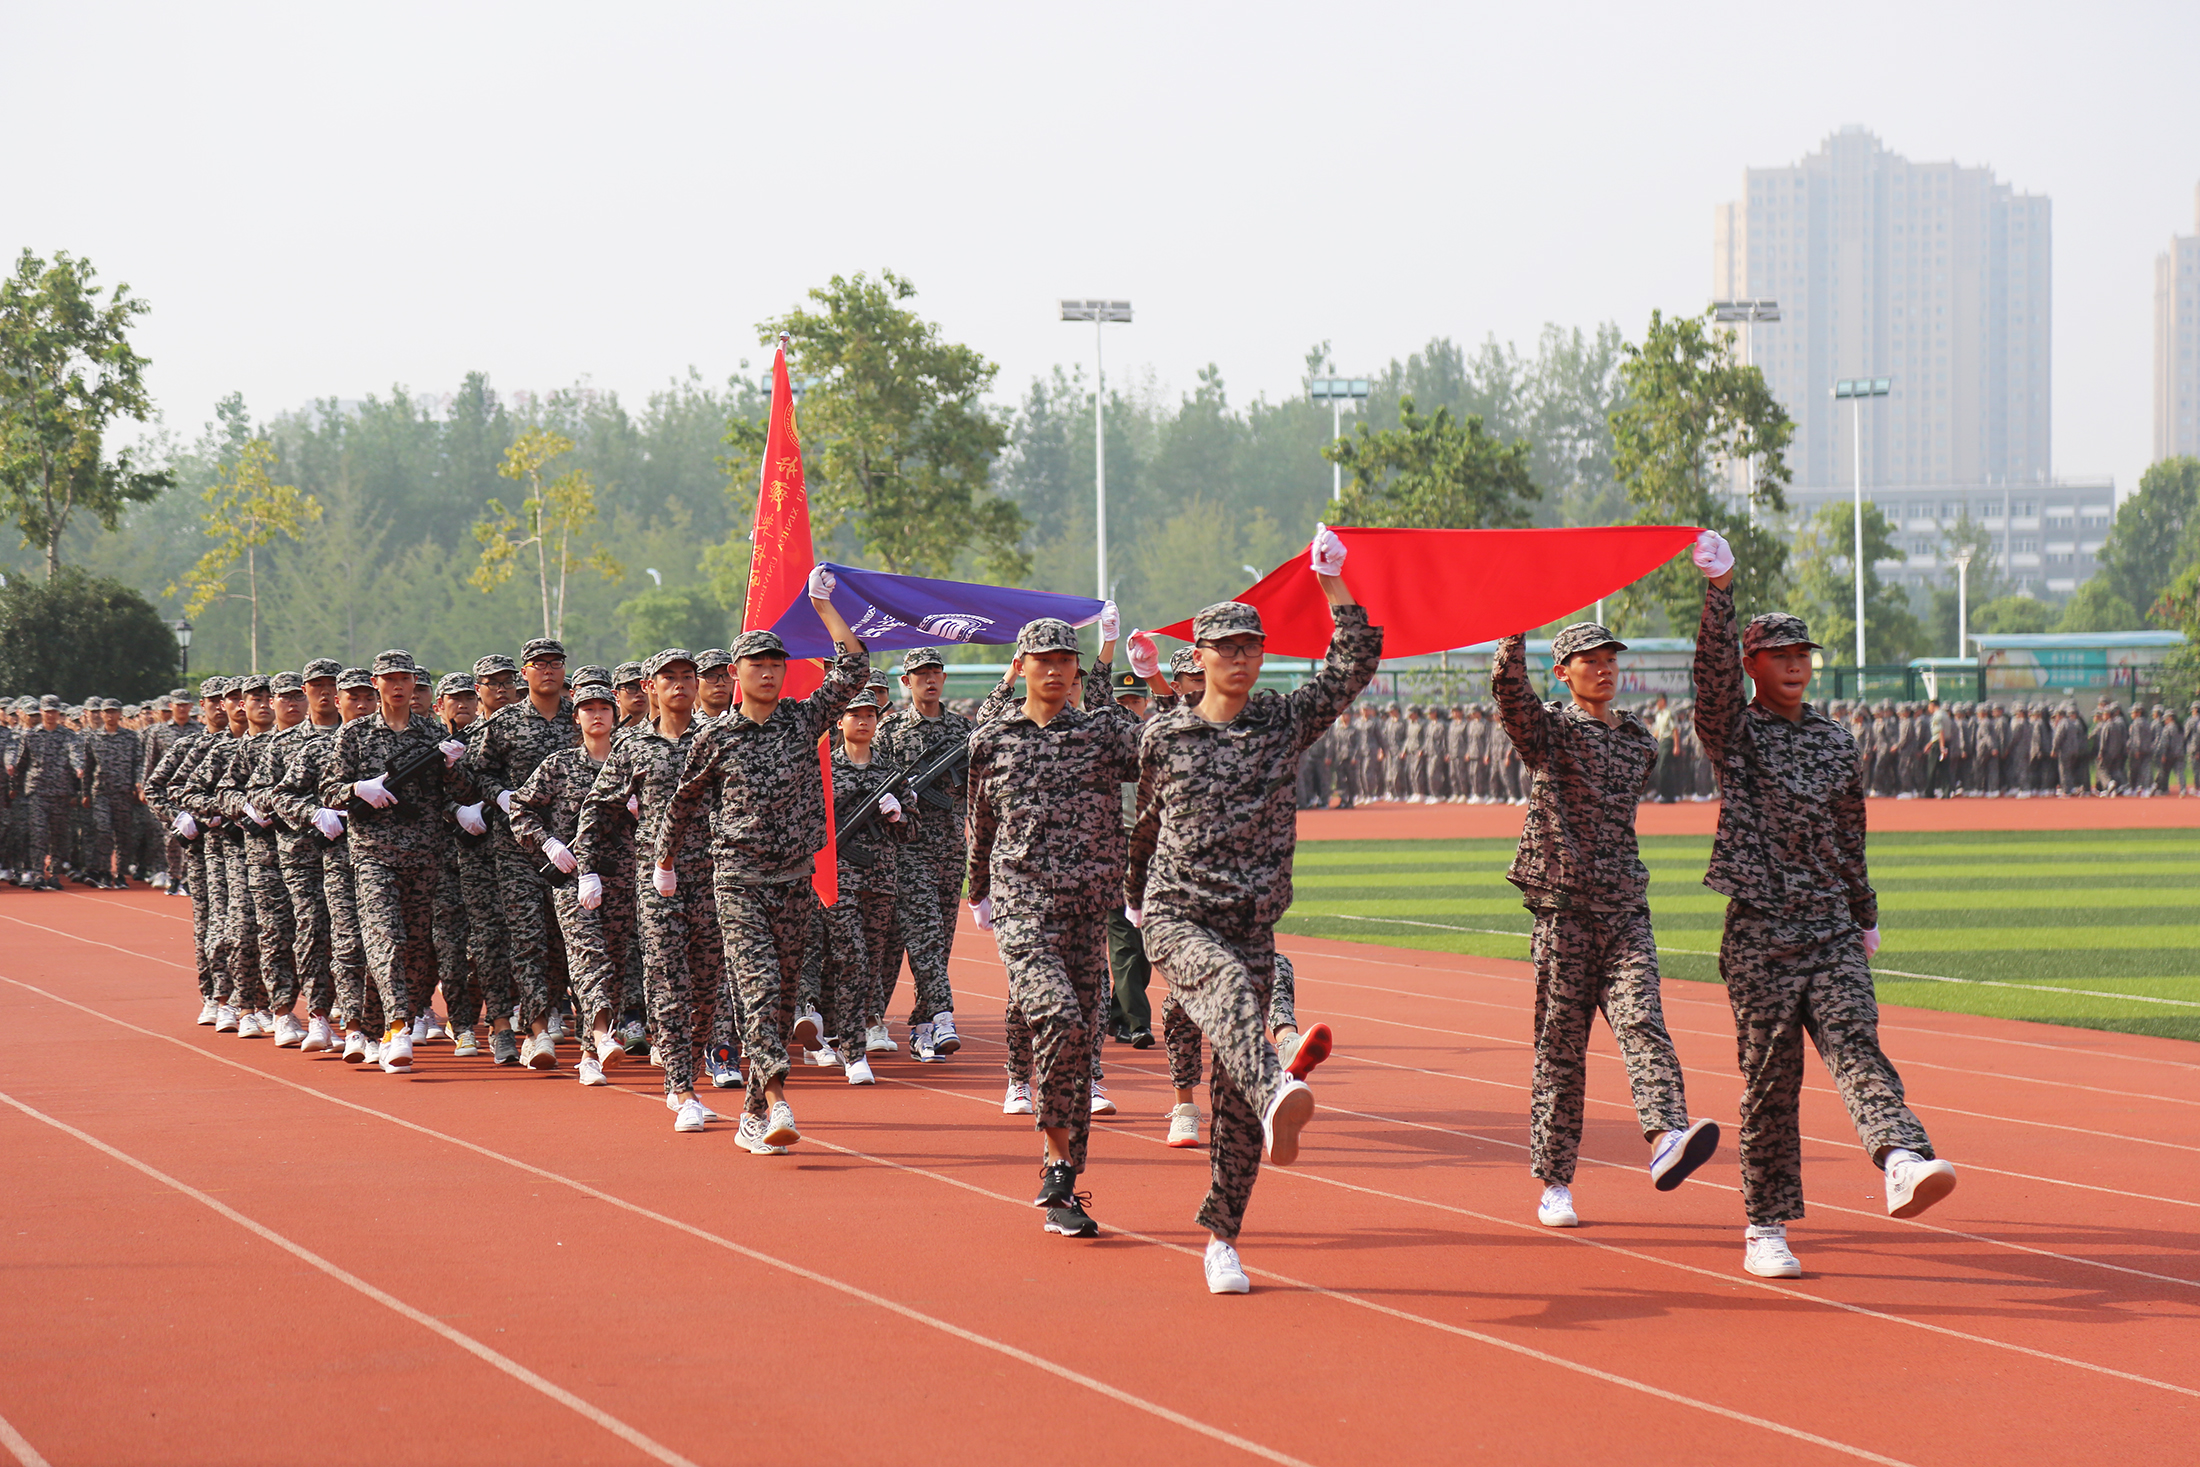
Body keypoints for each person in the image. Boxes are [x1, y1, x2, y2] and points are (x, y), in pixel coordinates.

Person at [1690, 530, 1956, 1280]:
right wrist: (1719, 594)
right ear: (1753, 664)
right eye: (1780, 654)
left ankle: (1900, 1158)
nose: (1796, 665)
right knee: (1771, 1084)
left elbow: (1850, 834)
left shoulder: (1837, 741)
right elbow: (1711, 682)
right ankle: (1765, 1227)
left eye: (1803, 654)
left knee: (1857, 1043)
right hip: (1761, 933)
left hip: (1831, 925)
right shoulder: (1734, 732)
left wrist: (1864, 913)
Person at [1127, 526, 1378, 1294]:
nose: (1239, 657)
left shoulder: (1280, 723)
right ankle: (1277, 1085)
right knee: (1233, 994)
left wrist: (1333, 583)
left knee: (1237, 1113)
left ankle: (1222, 1238)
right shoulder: (1165, 735)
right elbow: (1145, 823)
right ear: (1198, 656)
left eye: (1251, 647)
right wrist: (1135, 903)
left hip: (1251, 922)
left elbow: (1351, 666)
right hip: (1178, 914)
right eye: (1225, 647)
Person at [1492, 621, 1718, 1229]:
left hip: (1624, 910)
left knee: (1643, 1019)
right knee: (1560, 1052)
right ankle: (1556, 1183)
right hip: (1564, 912)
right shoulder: (1550, 732)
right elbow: (1510, 695)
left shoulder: (1640, 741)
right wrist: (1513, 631)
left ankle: (1666, 1135)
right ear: (1563, 672)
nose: (1604, 668)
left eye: (1610, 658)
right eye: (1589, 660)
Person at [657, 580, 868, 1154]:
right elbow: (683, 801)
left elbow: (854, 669)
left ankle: (752, 1114)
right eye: (757, 664)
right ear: (735, 673)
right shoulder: (716, 737)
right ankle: (777, 1101)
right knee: (760, 990)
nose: (770, 672)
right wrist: (665, 861)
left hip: (794, 880)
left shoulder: (803, 720)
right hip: (739, 882)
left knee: (779, 1003)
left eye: (777, 664)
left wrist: (824, 608)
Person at [968, 606, 1138, 1239]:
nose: (1057, 670)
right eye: (1045, 660)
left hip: (1088, 910)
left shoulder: (1102, 735)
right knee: (1059, 1017)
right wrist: (978, 889)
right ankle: (1056, 1154)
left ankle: (1062, 1173)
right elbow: (981, 821)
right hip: (1023, 905)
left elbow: (1170, 750)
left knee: (1081, 1042)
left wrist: (1150, 679)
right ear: (1023, 665)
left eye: (1067, 660)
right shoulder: (993, 739)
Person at [581, 648, 724, 1130]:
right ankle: (681, 1089)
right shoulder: (632, 746)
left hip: (716, 878)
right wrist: (588, 868)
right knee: (667, 981)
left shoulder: (717, 738)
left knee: (707, 987)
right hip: (658, 882)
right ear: (650, 687)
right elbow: (598, 808)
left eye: (688, 676)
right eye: (668, 678)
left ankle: (691, 1073)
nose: (679, 684)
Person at [324, 650, 467, 1074]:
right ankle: (399, 1026)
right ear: (377, 683)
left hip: (424, 852)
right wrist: (357, 789)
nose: (399, 685)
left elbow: (458, 791)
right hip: (373, 853)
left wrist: (454, 766)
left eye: (405, 678)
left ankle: (373, 1030)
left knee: (415, 947)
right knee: (384, 937)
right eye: (390, 678)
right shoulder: (355, 735)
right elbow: (329, 790)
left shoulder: (432, 734)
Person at [460, 638, 577, 1068]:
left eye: (555, 663)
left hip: (571, 845)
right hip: (517, 847)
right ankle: (537, 1030)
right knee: (527, 939)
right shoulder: (505, 723)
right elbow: (477, 773)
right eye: (538, 664)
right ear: (525, 673)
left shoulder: (580, 717)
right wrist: (499, 795)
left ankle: (555, 1011)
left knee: (563, 941)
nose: (547, 670)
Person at [512, 676, 634, 1088]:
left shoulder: (632, 763)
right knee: (588, 956)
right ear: (576, 717)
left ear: (614, 715)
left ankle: (589, 1054)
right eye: (587, 709)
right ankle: (602, 1036)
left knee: (613, 963)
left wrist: (643, 807)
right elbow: (520, 809)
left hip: (621, 877)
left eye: (603, 708)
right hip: (572, 880)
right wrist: (547, 843)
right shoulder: (559, 765)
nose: (596, 715)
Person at [876, 646, 976, 1060]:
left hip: (950, 850)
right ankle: (937, 1015)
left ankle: (921, 1025)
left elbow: (977, 786)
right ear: (906, 681)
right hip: (907, 849)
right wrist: (898, 800)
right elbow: (872, 782)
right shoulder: (891, 730)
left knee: (940, 941)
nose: (929, 679)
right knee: (923, 936)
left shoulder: (963, 731)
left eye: (936, 672)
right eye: (921, 674)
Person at [817, 674, 915, 1083]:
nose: (862, 720)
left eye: (869, 714)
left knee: (868, 964)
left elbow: (912, 832)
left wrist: (899, 815)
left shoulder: (891, 773)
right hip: (837, 880)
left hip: (880, 881)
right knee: (850, 957)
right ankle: (854, 1051)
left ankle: (838, 1033)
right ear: (839, 721)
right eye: (854, 713)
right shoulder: (823, 769)